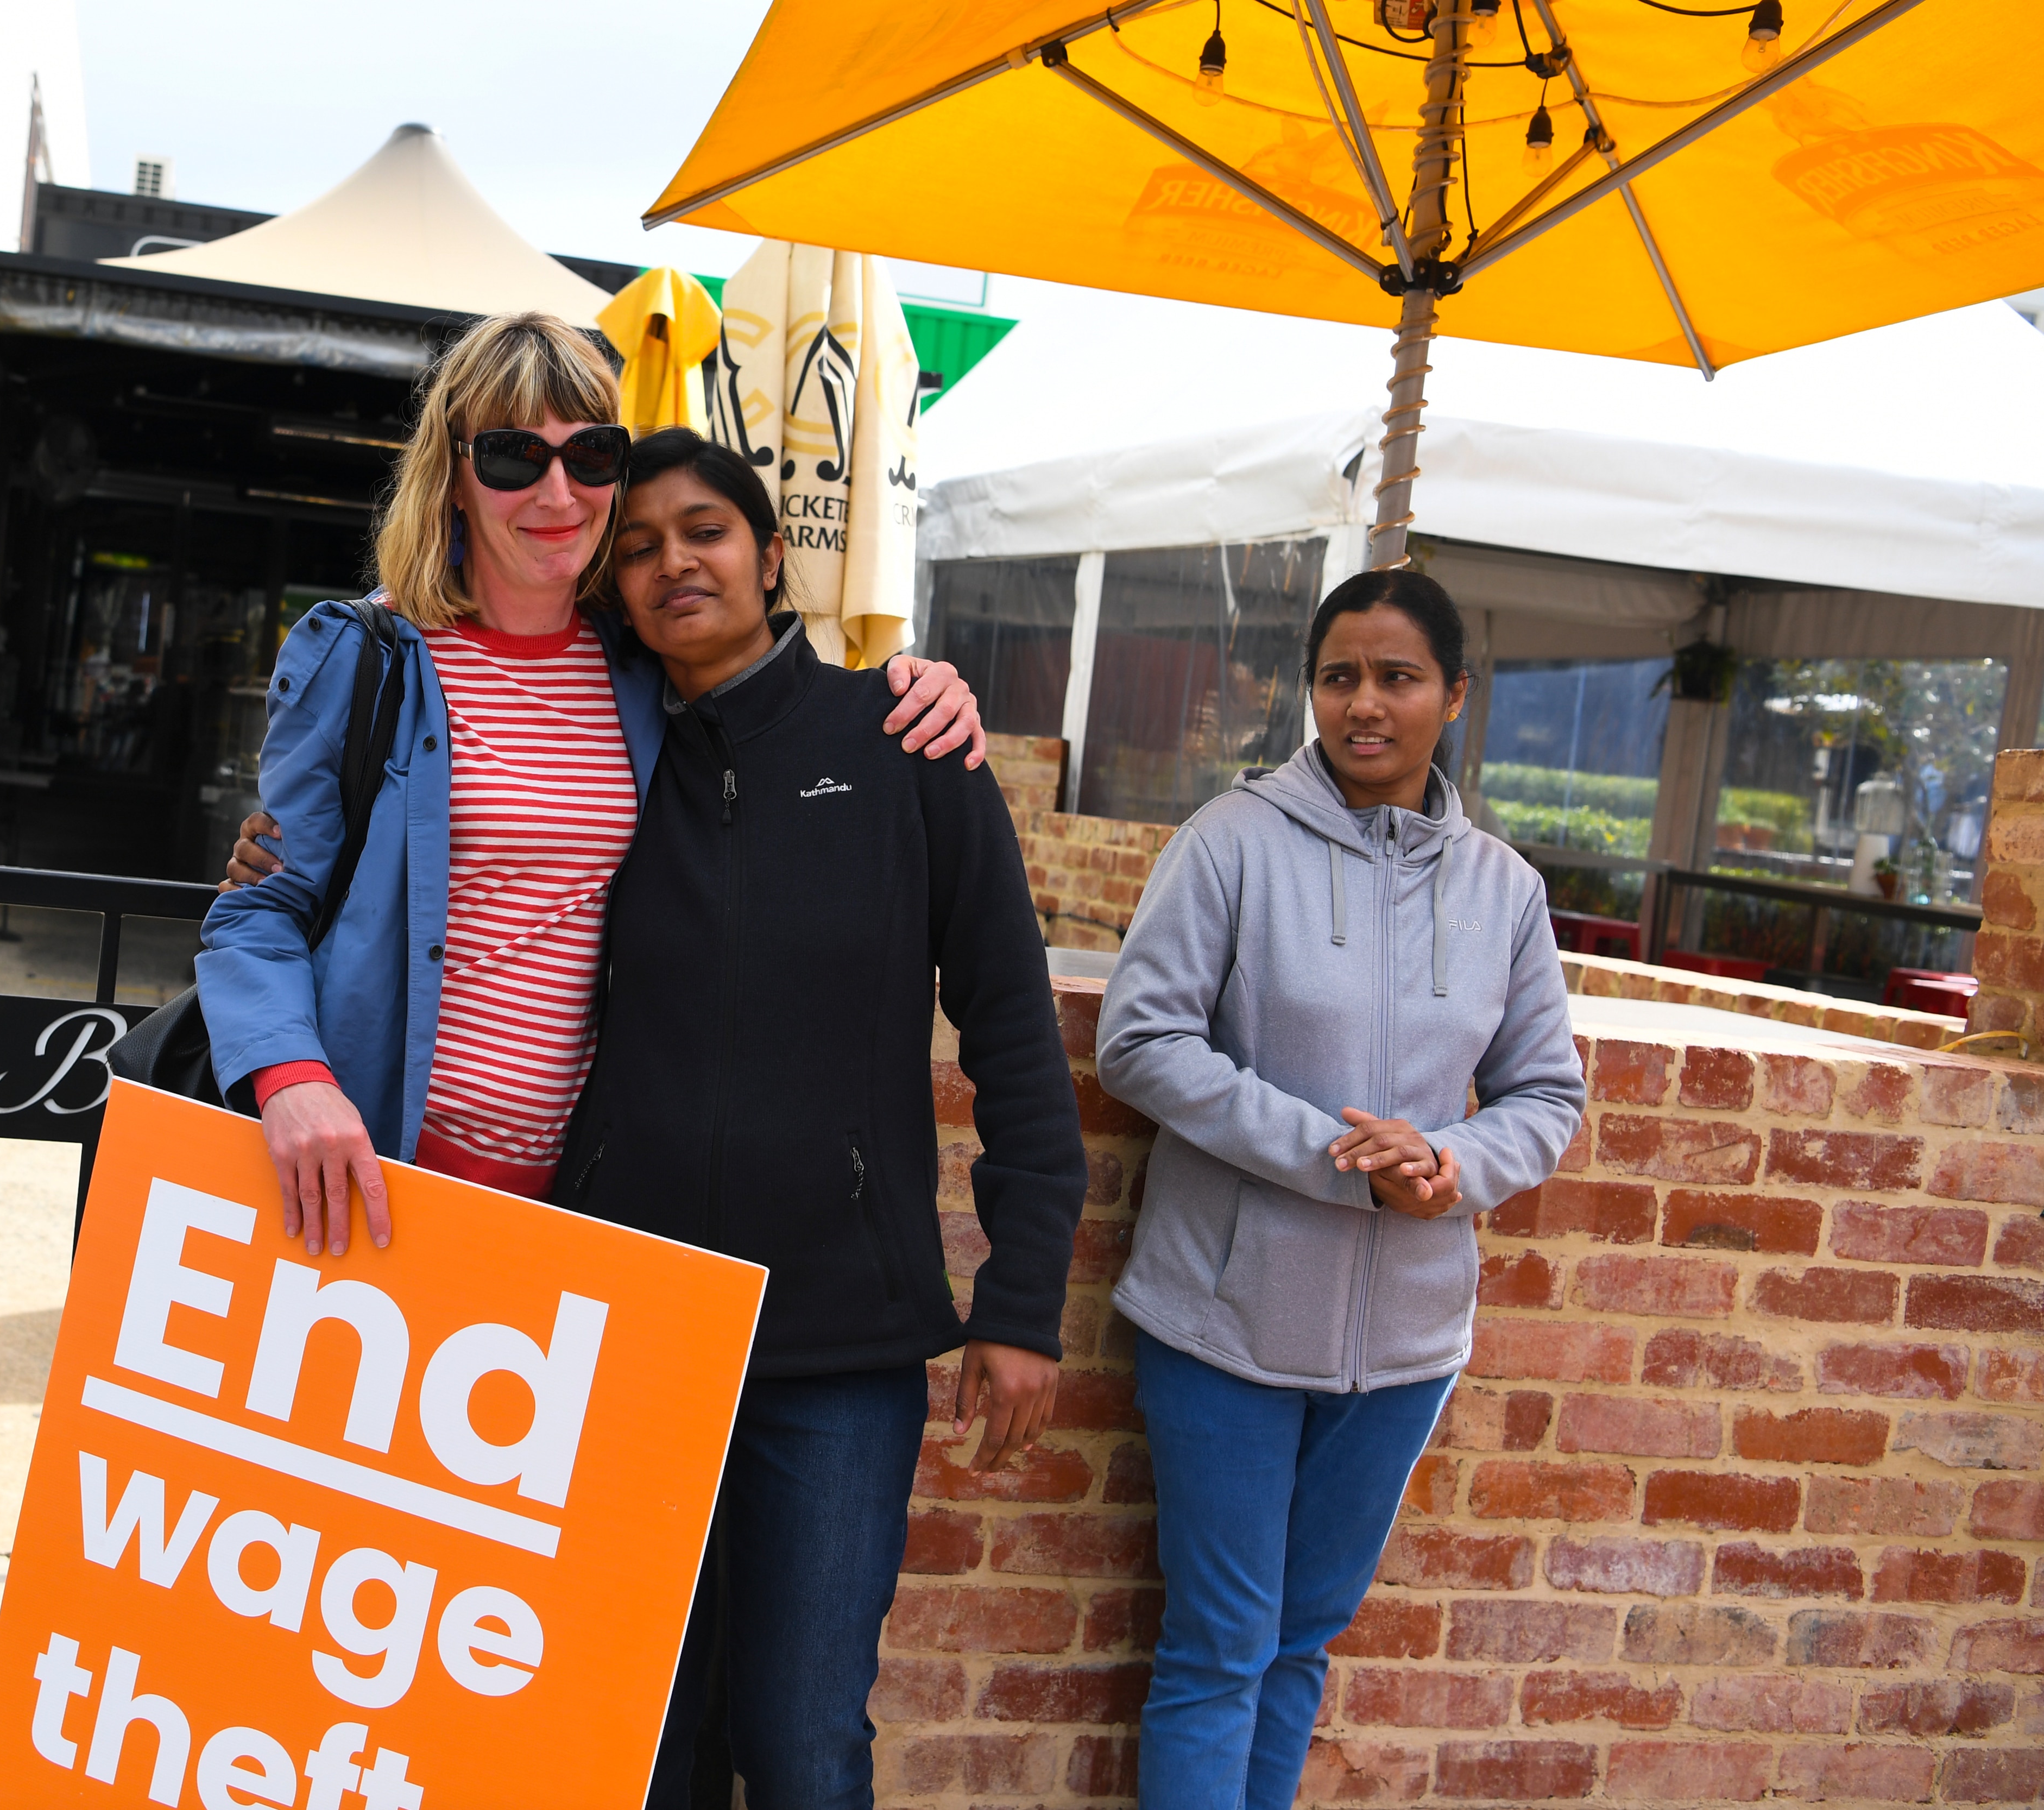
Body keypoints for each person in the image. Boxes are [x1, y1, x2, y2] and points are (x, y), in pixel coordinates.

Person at [197, 312, 984, 1250]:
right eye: (514, 456)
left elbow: (772, 720)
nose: (558, 491)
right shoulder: (366, 657)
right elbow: (257, 911)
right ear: (452, 475)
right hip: (368, 1168)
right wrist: (293, 1081)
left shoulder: (641, 668)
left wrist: (912, 684)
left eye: (591, 455)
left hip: (577, 1200)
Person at [556, 427, 1084, 1808]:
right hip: (630, 1325)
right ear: (610, 589)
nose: (673, 560)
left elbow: (1015, 1034)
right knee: (637, 1739)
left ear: (770, 552)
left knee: (801, 1745)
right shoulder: (603, 761)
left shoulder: (904, 740)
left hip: (837, 1344)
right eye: (635, 546)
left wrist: (1021, 1300)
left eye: (704, 530)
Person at [1094, 570, 1587, 1810]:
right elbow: (1141, 1039)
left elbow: (1547, 1092)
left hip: (1406, 1341)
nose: (1364, 704)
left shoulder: (1504, 890)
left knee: (1301, 1644)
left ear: (1454, 696)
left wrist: (1452, 1166)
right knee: (1218, 1648)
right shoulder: (1230, 841)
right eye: (1338, 677)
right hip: (1225, 1320)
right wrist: (1336, 1156)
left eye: (1397, 677)